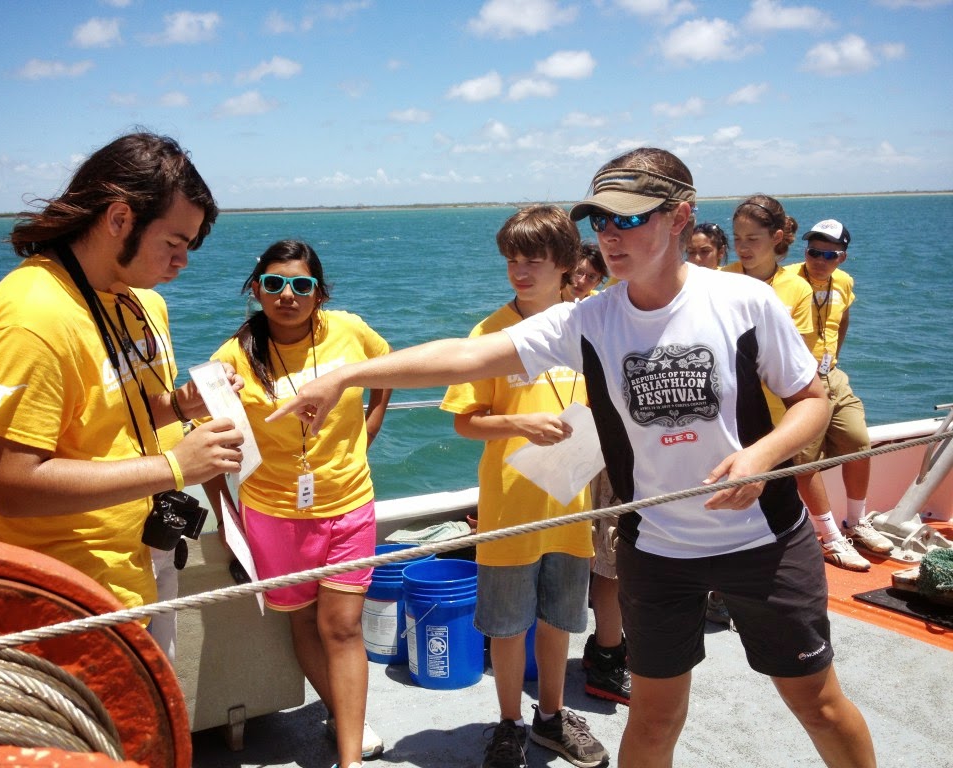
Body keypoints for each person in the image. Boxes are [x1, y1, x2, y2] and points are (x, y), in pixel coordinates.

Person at [270, 147, 877, 768]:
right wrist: (344, 377)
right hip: (661, 550)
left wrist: (765, 454)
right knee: (654, 718)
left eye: (629, 219)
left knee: (816, 703)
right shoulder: (587, 321)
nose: (609, 235)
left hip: (763, 539)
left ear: (679, 217)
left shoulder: (744, 303)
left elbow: (810, 400)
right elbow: (467, 357)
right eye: (600, 222)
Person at [0, 132, 245, 627]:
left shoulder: (142, 300)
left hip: (142, 561)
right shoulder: (30, 317)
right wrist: (177, 466)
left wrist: (181, 405)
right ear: (119, 219)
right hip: (56, 596)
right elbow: (12, 484)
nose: (183, 261)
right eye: (174, 243)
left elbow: (112, 414)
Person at [201, 240, 391, 768]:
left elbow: (388, 367)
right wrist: (226, 517)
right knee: (304, 623)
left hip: (350, 501)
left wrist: (370, 425)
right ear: (256, 289)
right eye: (275, 283)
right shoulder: (232, 357)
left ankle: (349, 758)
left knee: (343, 625)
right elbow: (211, 442)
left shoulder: (348, 329)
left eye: (302, 285)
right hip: (272, 513)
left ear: (319, 293)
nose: (288, 295)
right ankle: (341, 710)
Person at [440, 204, 608, 768]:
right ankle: (509, 722)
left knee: (559, 620)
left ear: (566, 263)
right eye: (512, 259)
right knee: (508, 627)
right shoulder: (489, 333)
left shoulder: (590, 322)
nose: (519, 271)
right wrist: (518, 423)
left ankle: (552, 717)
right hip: (511, 507)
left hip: (572, 501)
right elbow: (464, 420)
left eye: (533, 260)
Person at [726, 197, 869, 572]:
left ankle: (835, 534)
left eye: (752, 238)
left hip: (779, 406)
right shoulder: (722, 279)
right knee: (736, 496)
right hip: (730, 409)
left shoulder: (797, 288)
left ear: (775, 238)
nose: (743, 246)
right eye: (737, 237)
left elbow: (798, 362)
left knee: (773, 495)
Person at [784, 220, 892, 561]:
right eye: (813, 251)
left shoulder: (843, 282)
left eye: (828, 254)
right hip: (799, 383)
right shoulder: (786, 280)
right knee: (805, 461)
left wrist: (834, 359)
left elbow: (842, 316)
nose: (818, 260)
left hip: (831, 374)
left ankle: (856, 523)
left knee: (858, 443)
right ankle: (830, 537)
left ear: (841, 258)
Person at [581, 471, 631, 705]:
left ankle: (606, 644)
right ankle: (607, 663)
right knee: (615, 565)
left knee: (612, 560)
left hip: (621, 459)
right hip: (625, 465)